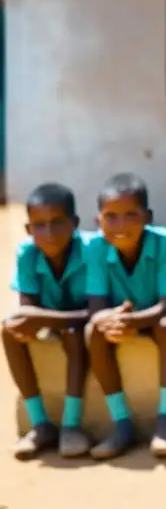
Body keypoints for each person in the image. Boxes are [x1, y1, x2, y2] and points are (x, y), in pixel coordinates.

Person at [85, 173, 166, 459]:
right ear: (98, 220)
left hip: (155, 319)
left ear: (148, 216)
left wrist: (132, 321)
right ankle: (121, 423)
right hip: (122, 320)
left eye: (131, 215)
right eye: (111, 216)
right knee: (93, 332)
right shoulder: (95, 248)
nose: (121, 225)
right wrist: (108, 319)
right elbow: (95, 306)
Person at [3, 184, 93, 459]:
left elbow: (95, 312)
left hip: (81, 327)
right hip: (59, 319)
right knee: (8, 330)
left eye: (57, 223)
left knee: (73, 334)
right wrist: (40, 319)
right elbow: (27, 311)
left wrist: (45, 318)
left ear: (74, 224)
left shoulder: (91, 250)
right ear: (29, 229)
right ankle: (40, 423)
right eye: (39, 225)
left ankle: (71, 425)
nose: (49, 233)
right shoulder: (27, 253)